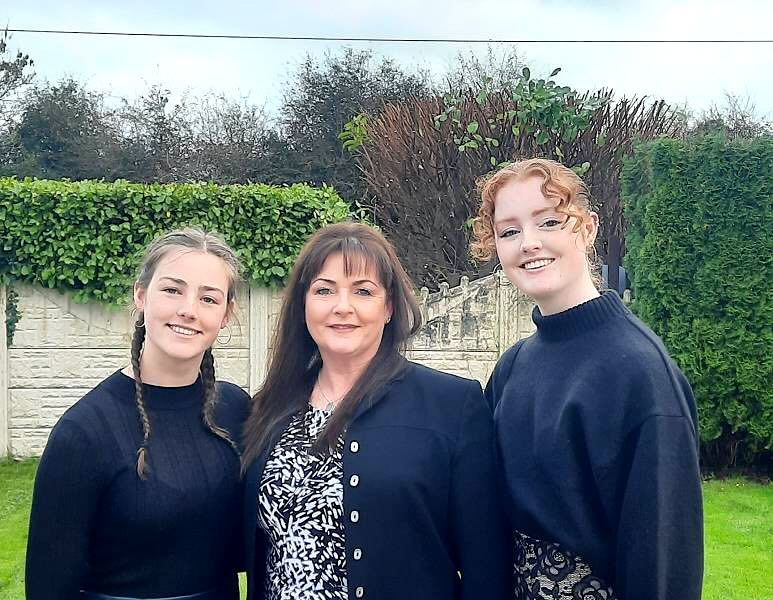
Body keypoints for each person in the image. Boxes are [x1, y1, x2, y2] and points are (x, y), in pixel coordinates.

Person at [240, 222, 512, 600]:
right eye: (324, 290)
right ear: (303, 305)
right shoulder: (269, 409)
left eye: (363, 291)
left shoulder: (452, 406)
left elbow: (488, 568)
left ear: (389, 307)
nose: (342, 307)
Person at [472, 158, 703, 600]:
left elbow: (663, 559)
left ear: (588, 228)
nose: (529, 243)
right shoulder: (513, 367)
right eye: (509, 231)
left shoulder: (639, 374)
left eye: (549, 221)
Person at [26, 228, 250, 600]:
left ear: (225, 314)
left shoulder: (235, 410)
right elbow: (49, 586)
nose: (188, 310)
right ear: (141, 295)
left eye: (208, 298)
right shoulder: (83, 432)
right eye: (172, 290)